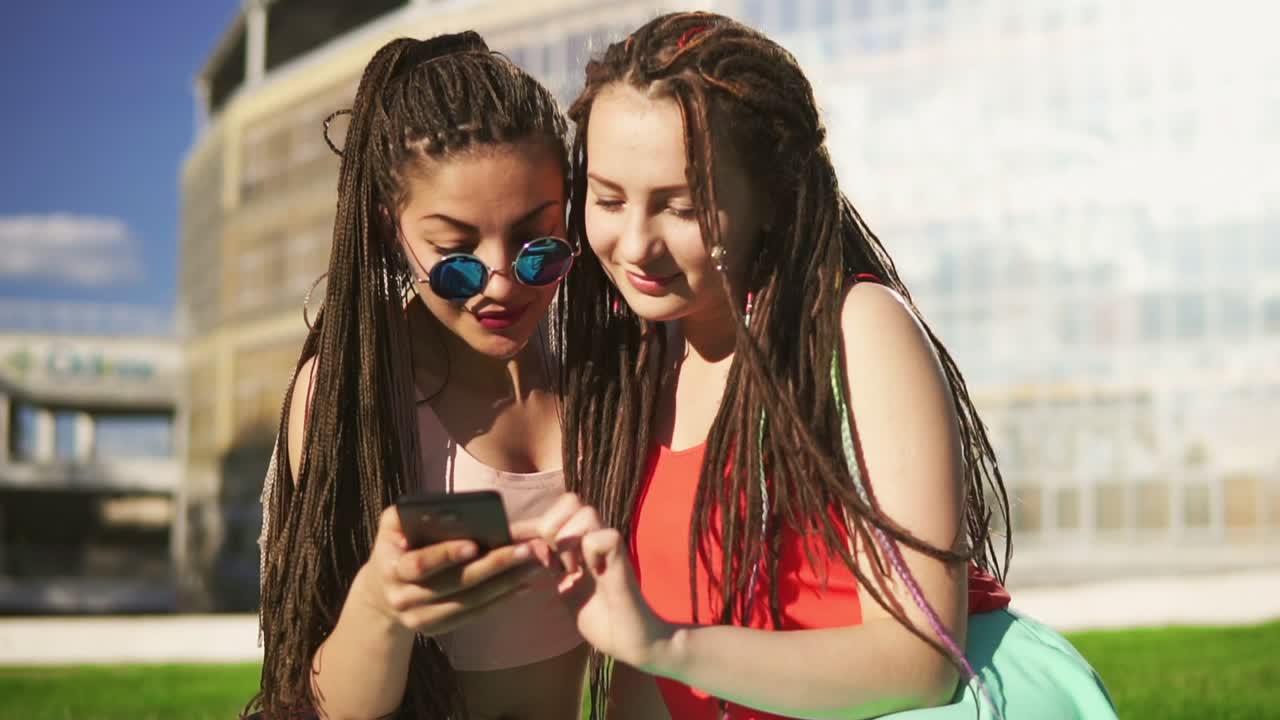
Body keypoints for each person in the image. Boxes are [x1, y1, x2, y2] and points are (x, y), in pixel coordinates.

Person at [543, 12, 1119, 720]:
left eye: (682, 207)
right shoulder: (633, 371)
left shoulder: (854, 332)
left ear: (771, 200)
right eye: (607, 199)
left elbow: (920, 660)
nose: (634, 244)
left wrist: (666, 643)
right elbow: (653, 682)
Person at [248, 31, 587, 720]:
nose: (500, 282)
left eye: (537, 244)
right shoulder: (354, 400)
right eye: (456, 255)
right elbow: (315, 703)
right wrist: (381, 603)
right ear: (388, 228)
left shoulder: (600, 372)